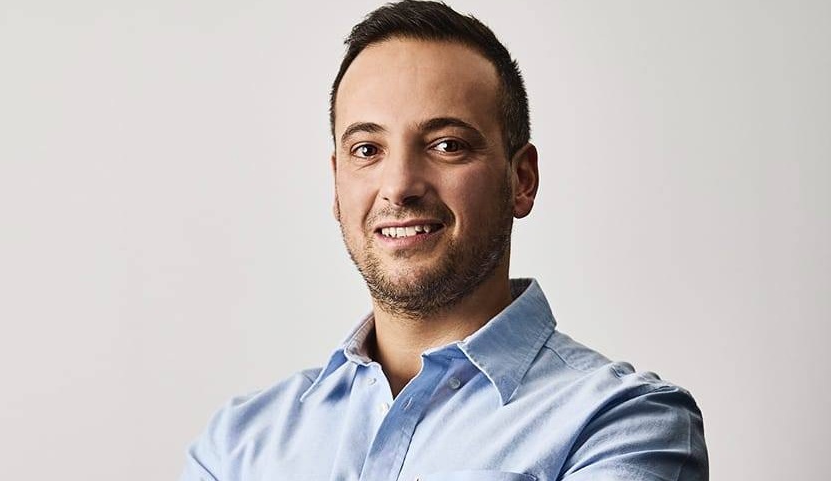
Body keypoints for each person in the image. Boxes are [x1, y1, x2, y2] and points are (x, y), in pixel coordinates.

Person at [179, 1, 709, 480]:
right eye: (367, 150)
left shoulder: (624, 425)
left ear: (522, 180)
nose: (399, 186)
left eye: (447, 144)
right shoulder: (236, 444)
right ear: (336, 183)